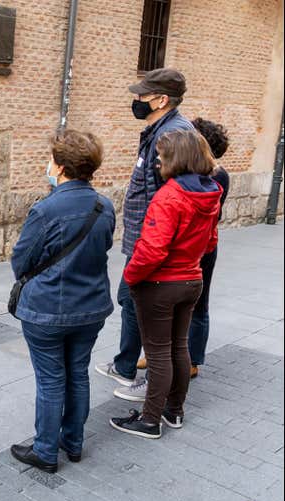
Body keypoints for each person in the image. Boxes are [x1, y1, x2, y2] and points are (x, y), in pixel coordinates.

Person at [9, 130, 116, 472]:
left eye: (51, 160)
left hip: (47, 309)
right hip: (91, 306)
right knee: (78, 373)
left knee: (51, 379)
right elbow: (104, 247)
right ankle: (73, 442)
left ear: (60, 166)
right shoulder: (104, 206)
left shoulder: (46, 209)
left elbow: (21, 260)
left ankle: (45, 450)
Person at [110, 129, 222, 439]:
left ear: (176, 158)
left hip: (161, 284)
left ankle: (149, 420)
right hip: (191, 279)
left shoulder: (169, 196)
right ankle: (174, 411)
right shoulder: (210, 192)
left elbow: (152, 249)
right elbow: (210, 242)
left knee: (158, 353)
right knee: (179, 347)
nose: (157, 161)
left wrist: (131, 277)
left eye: (161, 155)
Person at [95, 68, 194, 402]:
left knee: (153, 313)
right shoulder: (159, 130)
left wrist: (152, 249)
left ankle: (154, 387)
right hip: (144, 240)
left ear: (161, 99)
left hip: (152, 245)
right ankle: (126, 365)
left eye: (142, 95)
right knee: (130, 301)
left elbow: (170, 200)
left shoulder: (173, 135)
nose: (136, 100)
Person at [137, 119, 230, 379]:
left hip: (196, 247)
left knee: (196, 306)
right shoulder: (201, 175)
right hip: (198, 244)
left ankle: (191, 359)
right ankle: (168, 359)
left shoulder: (215, 175)